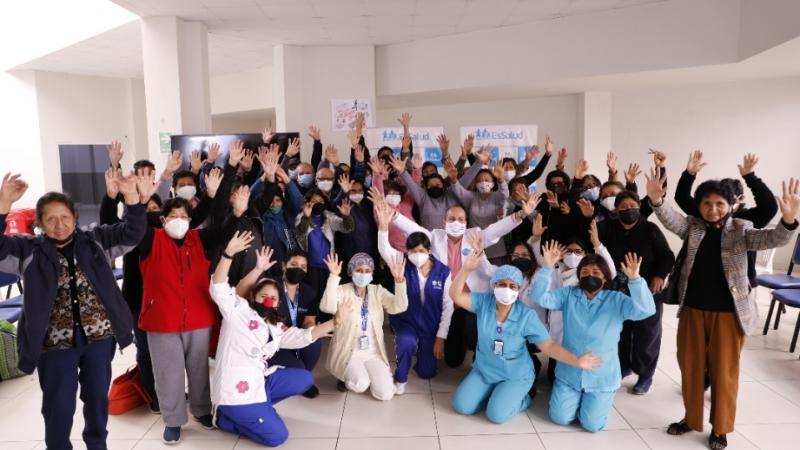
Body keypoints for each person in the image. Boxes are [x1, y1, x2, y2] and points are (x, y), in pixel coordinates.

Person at [645, 169, 799, 450]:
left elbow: (772, 239)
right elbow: (671, 219)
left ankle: (720, 428)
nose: (713, 209)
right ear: (699, 206)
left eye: (719, 203)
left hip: (729, 314)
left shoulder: (741, 229)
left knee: (724, 372)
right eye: (706, 203)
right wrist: (656, 201)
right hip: (692, 310)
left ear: (731, 205)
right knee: (690, 367)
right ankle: (691, 418)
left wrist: (788, 220)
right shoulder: (693, 226)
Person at [0, 171, 149, 450]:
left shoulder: (96, 240)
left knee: (97, 401)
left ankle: (97, 445)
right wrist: (3, 205)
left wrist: (131, 198)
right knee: (58, 407)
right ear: (39, 223)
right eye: (51, 219)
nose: (60, 225)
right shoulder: (27, 250)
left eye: (65, 217)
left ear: (75, 217)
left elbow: (133, 232)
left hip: (99, 341)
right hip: (53, 347)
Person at [209, 231, 350, 447]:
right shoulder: (238, 311)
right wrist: (228, 255)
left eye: (273, 298)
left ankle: (260, 408)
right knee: (278, 437)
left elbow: (302, 336)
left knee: (305, 379)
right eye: (263, 296)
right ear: (253, 297)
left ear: (277, 304)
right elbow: (219, 287)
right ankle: (223, 419)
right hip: (236, 393)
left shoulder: (275, 326)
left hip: (259, 380)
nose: (268, 300)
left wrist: (335, 322)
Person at [448, 245, 601, 424]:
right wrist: (465, 270)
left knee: (496, 415)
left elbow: (548, 345)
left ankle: (524, 398)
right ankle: (495, 394)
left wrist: (575, 360)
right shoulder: (483, 302)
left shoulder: (526, 315)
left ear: (518, 290)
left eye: (512, 286)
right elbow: (456, 296)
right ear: (494, 285)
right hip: (485, 369)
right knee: (461, 406)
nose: (507, 289)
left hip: (515, 374)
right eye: (502, 284)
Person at [137, 189, 243, 444]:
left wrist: (238, 213)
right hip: (161, 321)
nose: (179, 221)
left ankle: (202, 410)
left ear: (190, 220)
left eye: (184, 217)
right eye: (173, 216)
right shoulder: (150, 239)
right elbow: (134, 226)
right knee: (168, 373)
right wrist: (139, 202)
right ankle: (173, 421)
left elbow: (224, 232)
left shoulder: (198, 238)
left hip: (198, 317)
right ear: (163, 220)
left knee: (198, 369)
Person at [388, 197, 539, 368]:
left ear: (466, 223)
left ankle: (478, 348)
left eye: (461, 219)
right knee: (453, 360)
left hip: (469, 301)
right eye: (452, 219)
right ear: (444, 221)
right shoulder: (436, 236)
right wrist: (394, 215)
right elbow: (414, 229)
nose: (456, 223)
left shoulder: (474, 235)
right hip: (445, 300)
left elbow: (495, 230)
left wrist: (521, 214)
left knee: (468, 338)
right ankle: (441, 340)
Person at [532, 242, 655, 433]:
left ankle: (595, 402)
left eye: (596, 273)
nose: (590, 276)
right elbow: (540, 298)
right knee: (560, 418)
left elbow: (646, 310)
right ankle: (576, 400)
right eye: (585, 272)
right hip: (570, 371)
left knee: (592, 425)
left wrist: (635, 280)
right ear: (579, 276)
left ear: (605, 278)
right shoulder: (568, 294)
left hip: (601, 375)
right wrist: (547, 268)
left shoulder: (616, 300)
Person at [596, 190, 675, 395]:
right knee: (621, 331)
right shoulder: (608, 228)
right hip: (619, 291)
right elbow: (593, 242)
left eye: (632, 206)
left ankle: (645, 374)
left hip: (648, 289)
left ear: (639, 207)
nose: (628, 209)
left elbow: (668, 256)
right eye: (623, 207)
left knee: (647, 333)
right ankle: (624, 366)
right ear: (616, 210)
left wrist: (659, 276)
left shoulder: (650, 229)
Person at [375, 202, 454, 394]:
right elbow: (384, 249)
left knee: (427, 372)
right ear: (407, 251)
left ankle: (422, 354)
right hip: (406, 321)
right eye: (412, 251)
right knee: (406, 342)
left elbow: (448, 305)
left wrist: (441, 336)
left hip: (430, 325)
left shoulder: (443, 272)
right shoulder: (402, 263)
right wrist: (383, 226)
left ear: (429, 251)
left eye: (421, 251)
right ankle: (400, 378)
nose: (417, 255)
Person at [319, 252, 408, 400]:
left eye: (367, 271)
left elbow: (398, 307)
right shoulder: (342, 290)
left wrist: (399, 281)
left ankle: (365, 373)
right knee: (360, 383)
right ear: (351, 272)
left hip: (373, 352)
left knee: (386, 394)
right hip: (349, 352)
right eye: (359, 270)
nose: (363, 274)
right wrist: (333, 276)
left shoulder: (377, 291)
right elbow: (327, 307)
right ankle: (346, 377)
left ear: (372, 273)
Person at [261, 250, 324, 398]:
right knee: (297, 368)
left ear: (306, 270)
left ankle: (303, 380)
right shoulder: (271, 287)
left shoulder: (309, 292)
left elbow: (309, 320)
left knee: (316, 342)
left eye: (303, 267)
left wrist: (311, 330)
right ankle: (295, 377)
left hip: (297, 337)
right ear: (284, 266)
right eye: (294, 264)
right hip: (276, 340)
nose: (298, 269)